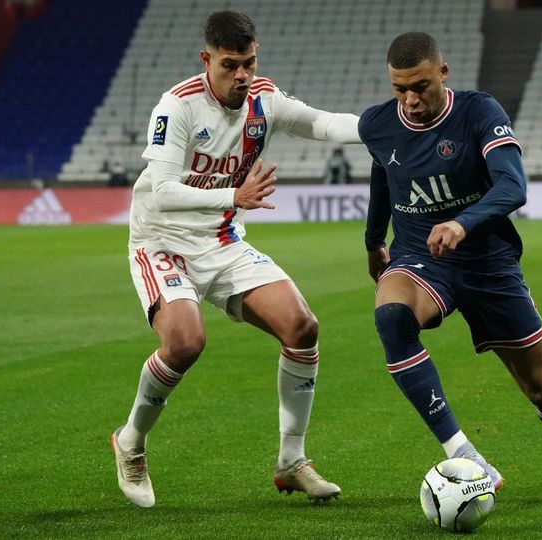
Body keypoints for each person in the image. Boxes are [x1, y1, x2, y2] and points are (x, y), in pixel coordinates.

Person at [111, 10, 361, 508]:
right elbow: (160, 191)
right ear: (207, 60)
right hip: (163, 241)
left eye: (248, 62)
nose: (242, 75)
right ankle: (131, 441)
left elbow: (325, 124)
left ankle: (292, 462)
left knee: (302, 327)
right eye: (231, 65)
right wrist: (233, 195)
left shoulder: (263, 100)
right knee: (185, 342)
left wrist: (389, 124)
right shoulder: (176, 107)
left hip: (222, 242)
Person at [358, 32, 542, 503]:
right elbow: (382, 174)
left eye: (421, 86)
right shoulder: (376, 125)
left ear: (443, 73)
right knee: (391, 317)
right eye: (400, 89)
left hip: (488, 261)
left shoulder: (479, 112)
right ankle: (464, 452)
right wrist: (375, 241)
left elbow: (513, 185)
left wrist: (462, 222)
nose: (411, 101)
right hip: (420, 257)